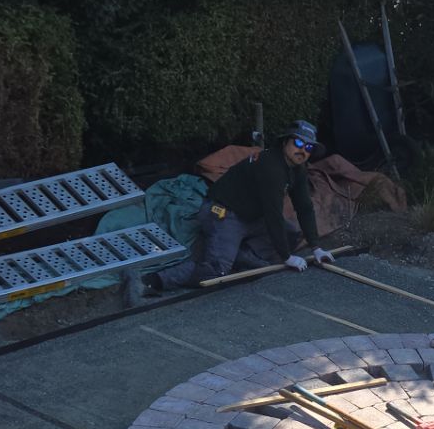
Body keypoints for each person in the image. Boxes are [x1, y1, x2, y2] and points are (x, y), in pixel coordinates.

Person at [131, 121, 334, 300]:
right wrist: (287, 257)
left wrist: (316, 247)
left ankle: (243, 254)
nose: (303, 150)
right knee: (217, 271)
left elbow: (304, 207)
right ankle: (151, 281)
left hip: (252, 216)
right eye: (298, 143)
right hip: (224, 213)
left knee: (291, 233)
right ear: (285, 142)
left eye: (308, 147)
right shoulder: (271, 167)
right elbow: (273, 214)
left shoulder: (297, 168)